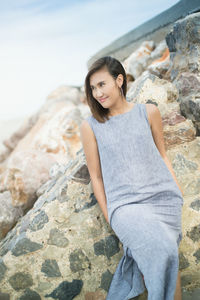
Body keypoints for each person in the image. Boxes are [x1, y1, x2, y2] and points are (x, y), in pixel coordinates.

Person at [80, 56, 184, 300]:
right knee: (165, 250)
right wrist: (112, 218)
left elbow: (163, 156)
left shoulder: (148, 112)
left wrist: (177, 193)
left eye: (102, 85)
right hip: (126, 208)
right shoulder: (91, 126)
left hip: (164, 199)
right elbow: (96, 177)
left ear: (119, 81)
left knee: (167, 255)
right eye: (92, 88)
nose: (97, 93)